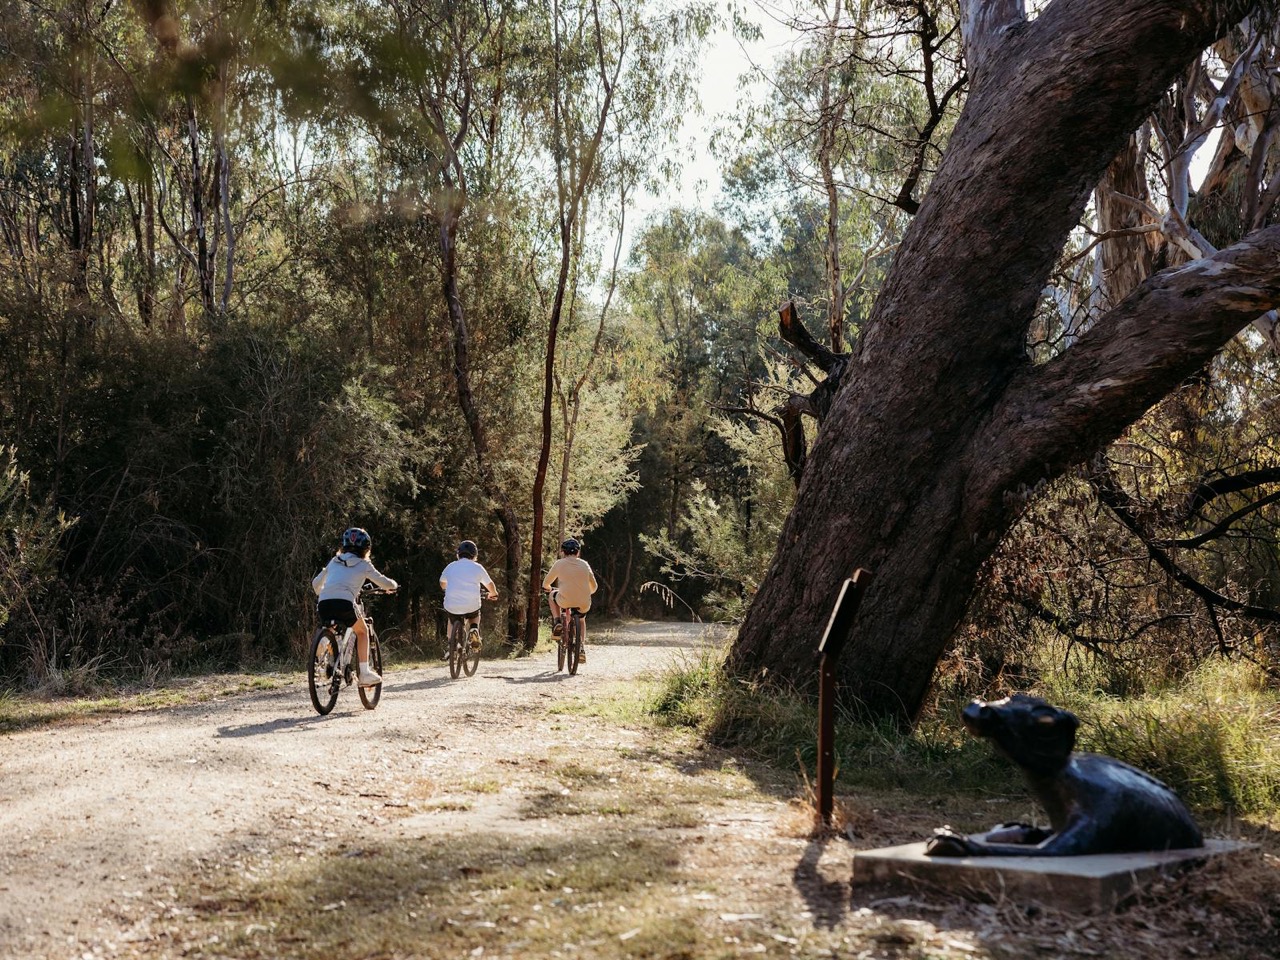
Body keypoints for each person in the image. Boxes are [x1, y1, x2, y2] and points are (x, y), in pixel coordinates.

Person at [311, 527, 398, 686]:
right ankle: (364, 674)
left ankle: (324, 649)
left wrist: (324, 591)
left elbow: (316, 584)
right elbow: (384, 582)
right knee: (362, 631)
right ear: (366, 548)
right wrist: (393, 585)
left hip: (324, 602)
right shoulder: (364, 564)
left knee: (331, 627)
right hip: (345, 602)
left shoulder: (334, 561)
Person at [543, 537, 598, 661]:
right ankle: (581, 648)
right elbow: (594, 586)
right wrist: (586, 593)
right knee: (582, 620)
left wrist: (548, 588)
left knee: (552, 596)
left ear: (563, 552)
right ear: (578, 552)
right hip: (584, 602)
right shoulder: (585, 564)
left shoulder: (559, 563)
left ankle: (557, 622)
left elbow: (546, 583)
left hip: (565, 600)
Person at [439, 540, 498, 651]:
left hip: (452, 605)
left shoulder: (450, 566)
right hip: (471, 605)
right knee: (474, 615)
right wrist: (493, 593)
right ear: (475, 555)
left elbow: (442, 583)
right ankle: (474, 629)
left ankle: (451, 643)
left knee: (451, 619)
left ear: (458, 554)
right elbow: (490, 584)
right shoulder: (477, 567)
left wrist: (447, 589)